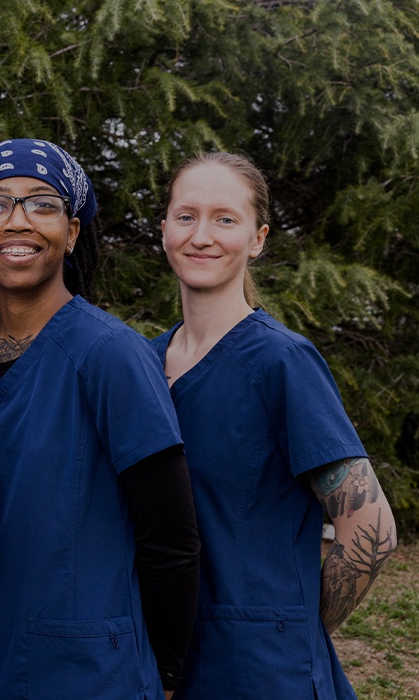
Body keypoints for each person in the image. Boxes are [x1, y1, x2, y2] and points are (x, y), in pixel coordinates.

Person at [0, 139, 201, 699]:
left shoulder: (110, 353)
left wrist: (169, 671)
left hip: (90, 669)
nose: (18, 222)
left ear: (73, 231)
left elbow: (170, 535)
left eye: (42, 204)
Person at [153, 152, 396, 699]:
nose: (201, 235)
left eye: (225, 218)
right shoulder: (142, 365)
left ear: (257, 239)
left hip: (261, 670)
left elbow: (372, 530)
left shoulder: (281, 361)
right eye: (186, 215)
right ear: (164, 227)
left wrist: (293, 628)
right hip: (165, 662)